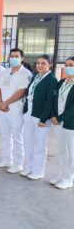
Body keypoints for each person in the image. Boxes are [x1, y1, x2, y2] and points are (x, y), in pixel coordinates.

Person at [0, 48, 32, 173]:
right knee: (5, 135)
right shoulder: (5, 72)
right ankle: (7, 159)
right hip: (3, 110)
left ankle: (18, 163)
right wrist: (0, 103)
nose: (13, 58)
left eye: (16, 56)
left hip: (16, 110)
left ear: (22, 58)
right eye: (12, 56)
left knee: (17, 137)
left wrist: (5, 103)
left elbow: (21, 92)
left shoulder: (25, 73)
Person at [21, 54, 57, 180]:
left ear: (50, 65)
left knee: (40, 145)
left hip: (41, 118)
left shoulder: (52, 80)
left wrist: (43, 119)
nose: (40, 65)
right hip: (29, 115)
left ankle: (38, 171)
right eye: (38, 63)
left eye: (43, 63)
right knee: (28, 142)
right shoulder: (36, 76)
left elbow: (50, 102)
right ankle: (29, 167)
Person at [51, 57, 74, 189]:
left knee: (71, 152)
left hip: (70, 123)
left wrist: (59, 118)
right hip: (58, 122)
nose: (68, 67)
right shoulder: (61, 82)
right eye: (66, 65)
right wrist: (54, 115)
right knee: (61, 150)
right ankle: (61, 174)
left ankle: (69, 178)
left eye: (71, 65)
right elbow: (55, 100)